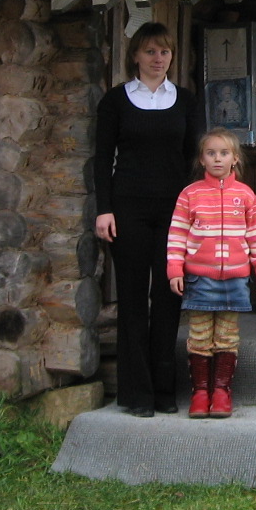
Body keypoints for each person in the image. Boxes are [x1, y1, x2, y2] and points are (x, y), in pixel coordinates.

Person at [93, 23, 199, 416]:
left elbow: (195, 160)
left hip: (174, 211)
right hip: (127, 210)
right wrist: (104, 209)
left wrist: (199, 212)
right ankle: (136, 394)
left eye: (165, 52)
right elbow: (103, 159)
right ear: (135, 56)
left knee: (169, 298)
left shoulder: (186, 101)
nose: (158, 59)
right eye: (151, 52)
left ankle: (164, 392)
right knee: (134, 300)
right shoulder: (115, 101)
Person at [166, 129, 256, 418]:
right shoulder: (190, 195)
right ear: (201, 160)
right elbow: (176, 235)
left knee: (226, 336)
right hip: (200, 278)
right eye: (211, 153)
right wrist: (175, 268)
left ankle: (222, 392)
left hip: (236, 278)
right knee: (199, 336)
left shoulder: (246, 195)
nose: (217, 158)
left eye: (224, 153)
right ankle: (200, 393)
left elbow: (255, 235)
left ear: (235, 159)